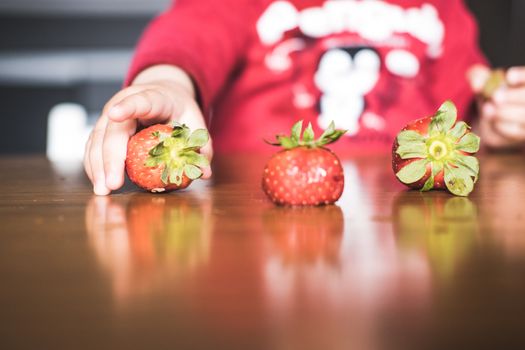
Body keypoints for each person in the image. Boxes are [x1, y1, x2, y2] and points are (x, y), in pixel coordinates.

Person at [84, 0, 525, 195]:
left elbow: (464, 102)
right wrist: (169, 82)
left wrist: (498, 120)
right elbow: (192, 31)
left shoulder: (441, 7)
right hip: (249, 219)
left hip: (409, 221)